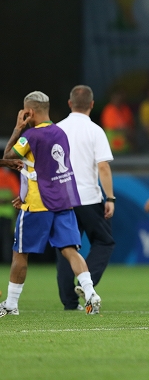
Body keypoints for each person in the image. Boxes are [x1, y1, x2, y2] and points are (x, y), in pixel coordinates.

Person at [0, 91, 102, 317]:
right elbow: (44, 167)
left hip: (37, 204)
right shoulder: (60, 132)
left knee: (20, 253)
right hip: (63, 201)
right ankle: (90, 292)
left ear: (29, 112)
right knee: (70, 250)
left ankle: (11, 304)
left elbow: (8, 156)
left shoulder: (31, 136)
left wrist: (18, 128)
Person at [55, 85, 116, 311]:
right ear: (91, 105)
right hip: (88, 198)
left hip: (61, 199)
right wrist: (110, 197)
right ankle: (86, 282)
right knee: (104, 241)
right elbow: (103, 167)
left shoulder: (56, 130)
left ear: (70, 104)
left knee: (66, 248)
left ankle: (70, 303)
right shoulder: (95, 131)